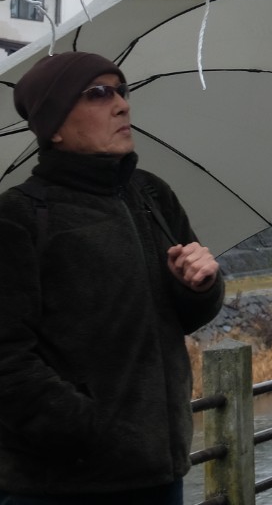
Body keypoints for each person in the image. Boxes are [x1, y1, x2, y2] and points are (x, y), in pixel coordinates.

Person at [0, 51, 224, 503]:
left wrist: (199, 286)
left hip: (161, 469)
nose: (122, 105)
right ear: (54, 127)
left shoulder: (152, 195)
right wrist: (90, 429)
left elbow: (184, 316)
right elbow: (6, 359)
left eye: (122, 91)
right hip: (61, 483)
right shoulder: (19, 217)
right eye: (98, 94)